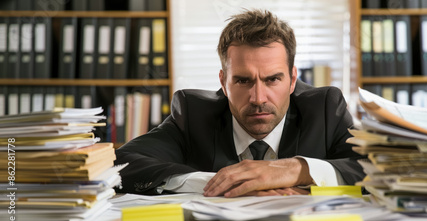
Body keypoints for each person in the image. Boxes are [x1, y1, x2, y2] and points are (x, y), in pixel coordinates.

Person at [115, 9, 365, 197]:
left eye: (273, 79)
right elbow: (122, 163)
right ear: (223, 82)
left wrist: (296, 170)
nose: (258, 98)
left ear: (292, 80)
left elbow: (373, 168)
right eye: (243, 81)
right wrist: (224, 183)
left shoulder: (324, 109)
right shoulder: (194, 114)